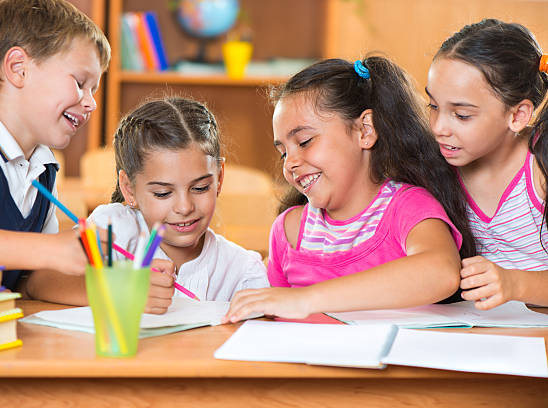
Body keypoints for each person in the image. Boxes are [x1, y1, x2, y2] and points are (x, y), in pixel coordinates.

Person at [224, 57, 477, 323]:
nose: (290, 163)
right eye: (283, 153)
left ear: (364, 130)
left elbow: (441, 272)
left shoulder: (407, 207)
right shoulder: (289, 230)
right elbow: (271, 318)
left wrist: (306, 298)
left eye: (305, 141)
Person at [0, 0, 110, 305]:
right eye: (81, 83)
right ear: (18, 69)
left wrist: (117, 289)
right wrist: (50, 248)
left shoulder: (43, 169)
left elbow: (34, 280)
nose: (91, 103)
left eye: (93, 89)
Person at [87, 97, 269, 314]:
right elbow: (41, 283)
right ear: (128, 188)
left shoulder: (242, 271)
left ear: (219, 178)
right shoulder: (113, 229)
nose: (184, 207)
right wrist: (119, 288)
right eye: (162, 193)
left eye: (200, 188)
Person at [426, 19, 548, 310]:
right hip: (477, 333)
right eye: (433, 106)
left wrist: (514, 284)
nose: (439, 127)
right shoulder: (438, 166)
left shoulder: (540, 169)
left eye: (462, 115)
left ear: (518, 115)